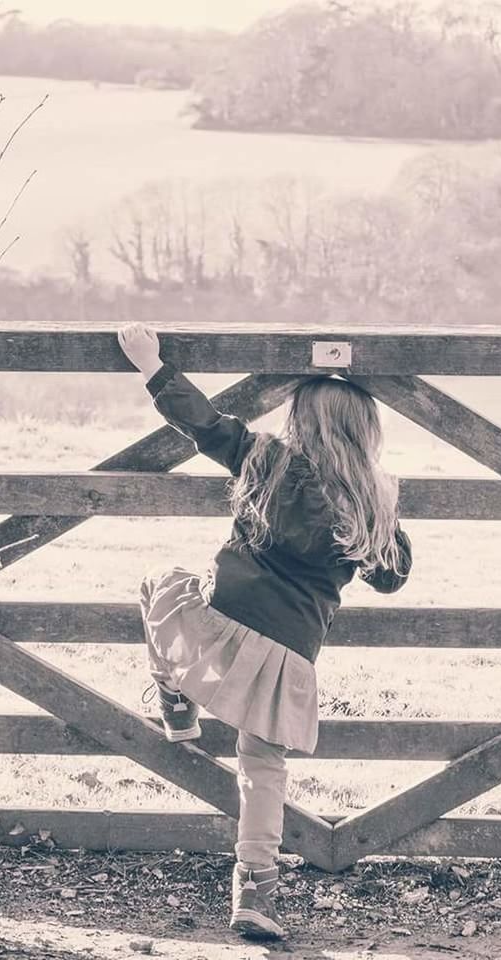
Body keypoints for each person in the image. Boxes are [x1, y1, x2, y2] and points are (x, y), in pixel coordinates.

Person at [117, 323, 412, 939]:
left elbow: (203, 423)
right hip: (287, 656)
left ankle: (175, 699)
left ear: (300, 422)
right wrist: (385, 513)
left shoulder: (266, 459)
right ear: (366, 436)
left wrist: (153, 366)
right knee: (262, 768)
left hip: (219, 623)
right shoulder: (368, 502)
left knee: (156, 581)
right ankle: (255, 890)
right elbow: (392, 577)